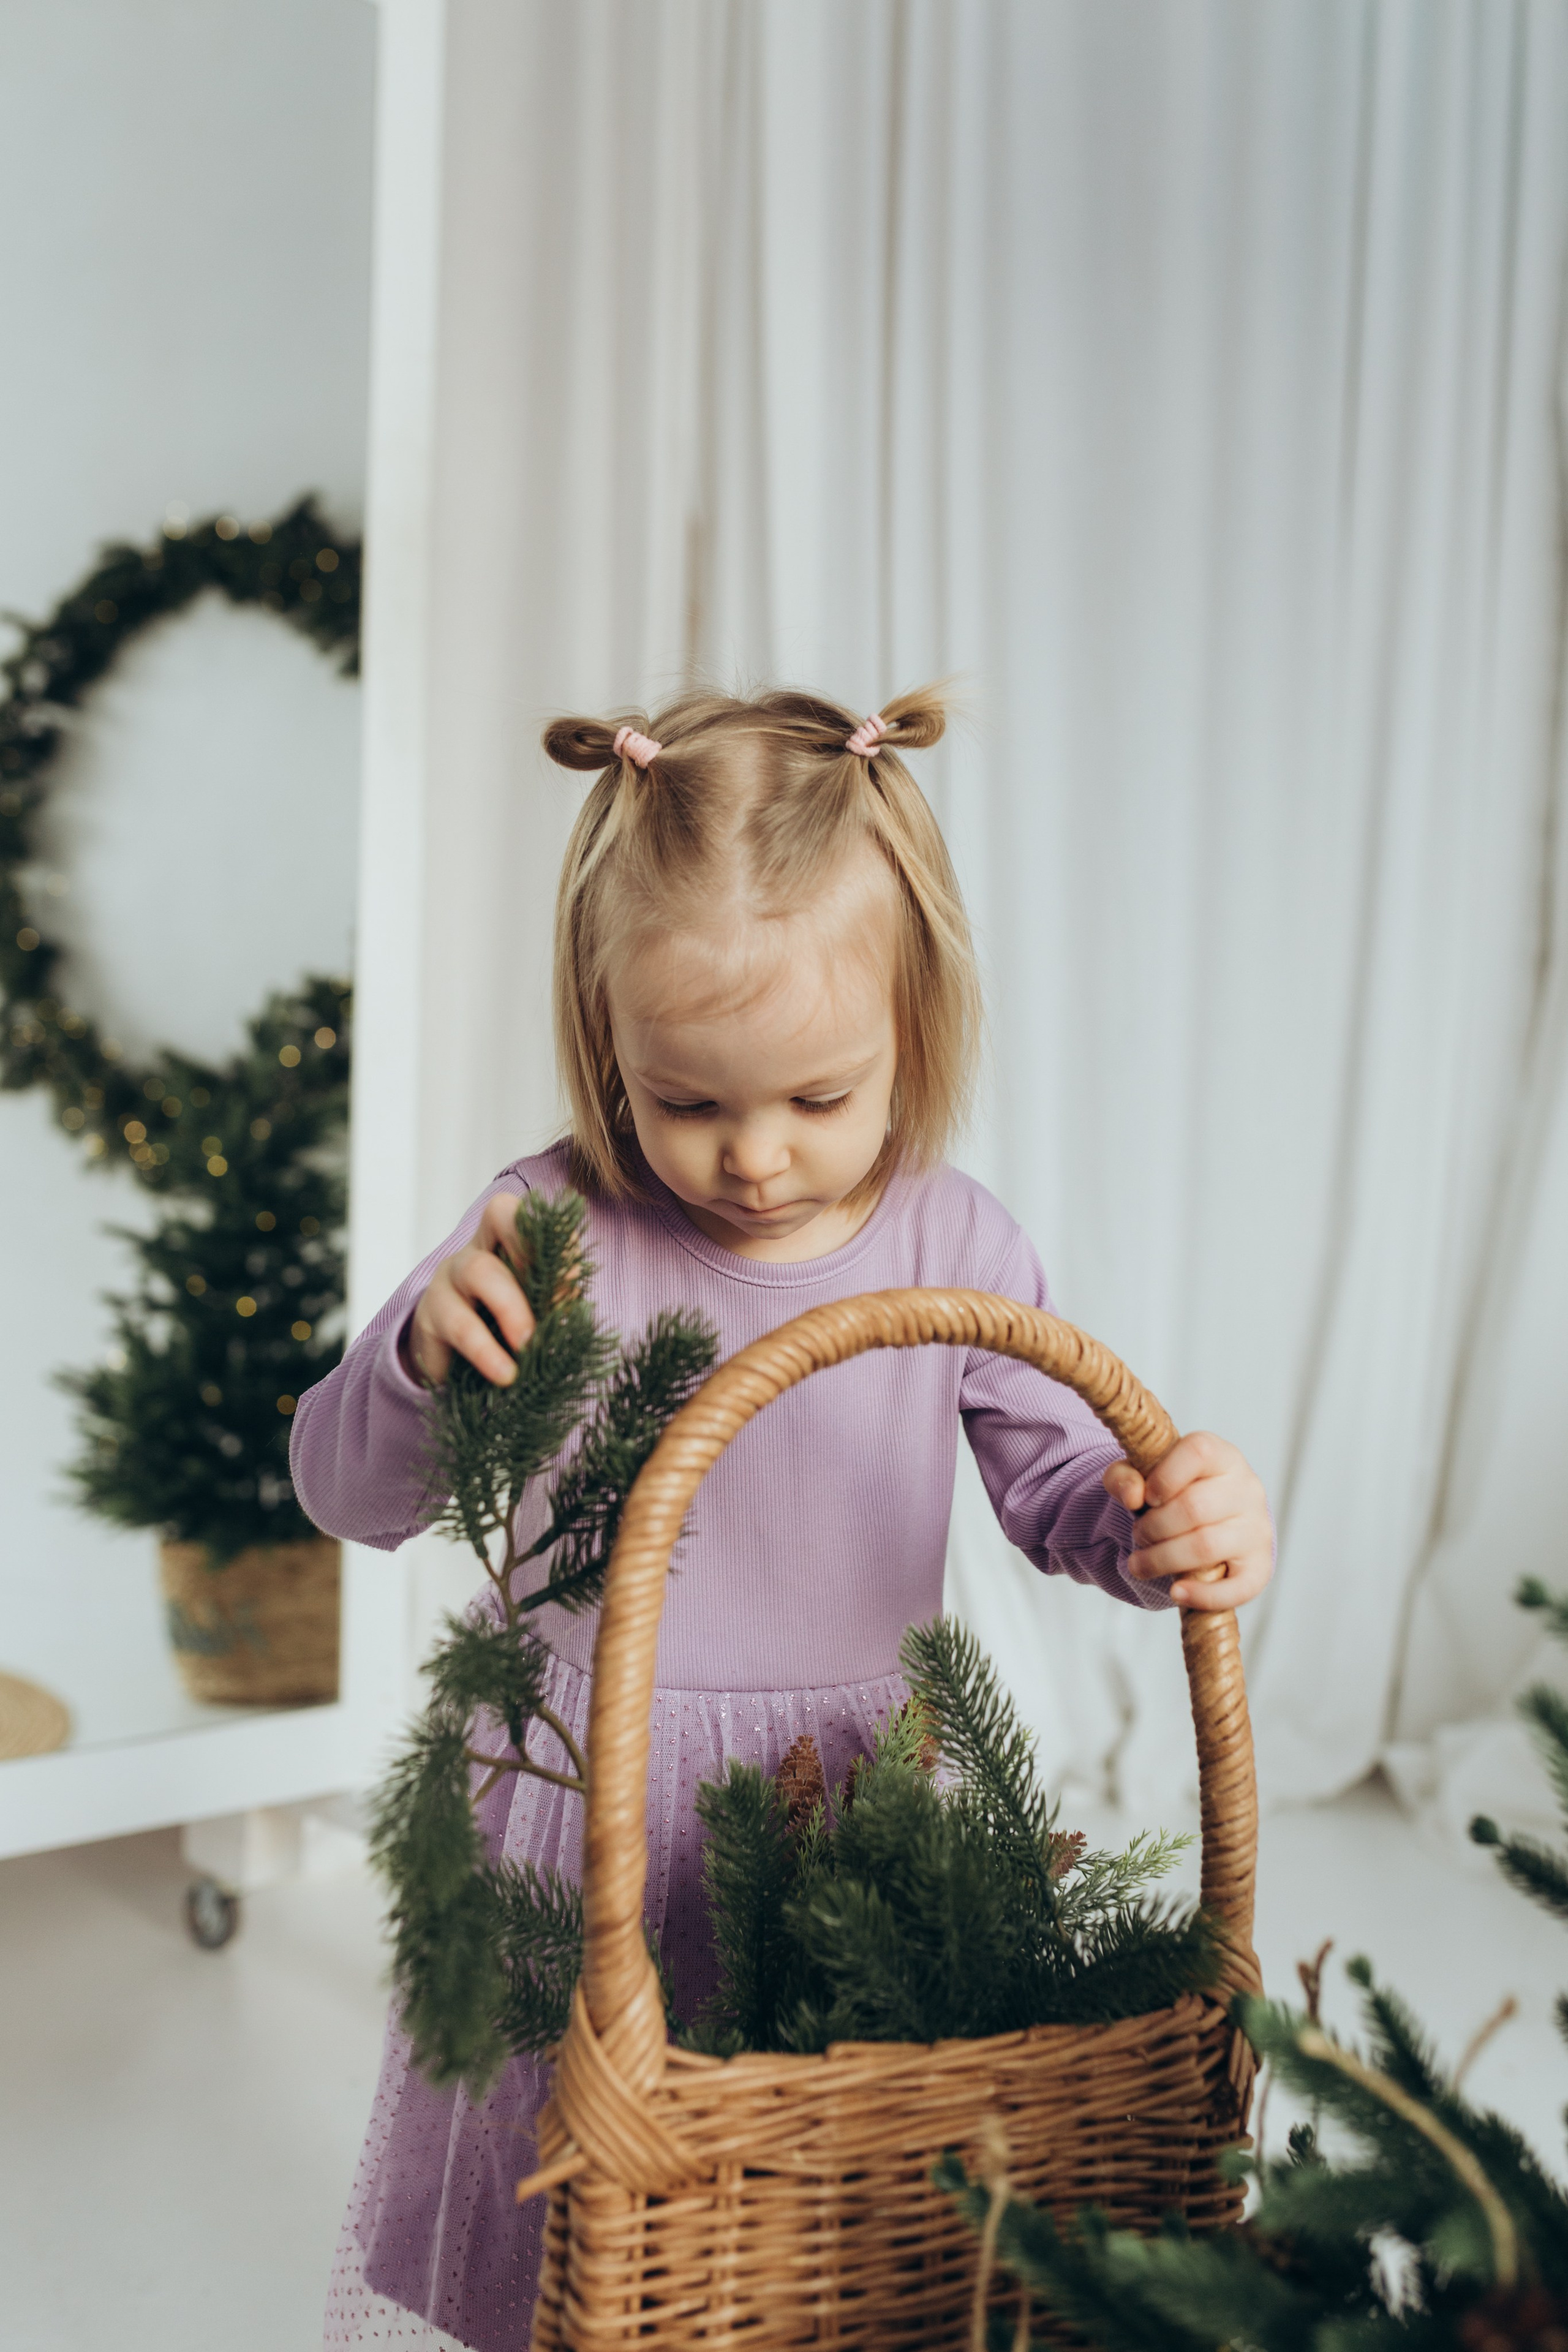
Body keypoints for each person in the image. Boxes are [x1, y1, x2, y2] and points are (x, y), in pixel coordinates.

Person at [298, 685, 1273, 2352]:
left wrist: (1168, 1514)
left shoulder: (956, 1243)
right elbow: (349, 1492)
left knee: (835, 2213)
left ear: (921, 1029)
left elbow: (1060, 1494)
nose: (753, 1159)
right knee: (583, 2220)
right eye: (688, 1103)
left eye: (819, 1098)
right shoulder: (548, 1227)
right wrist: (416, 1362)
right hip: (584, 1800)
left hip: (854, 1807)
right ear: (607, 1045)